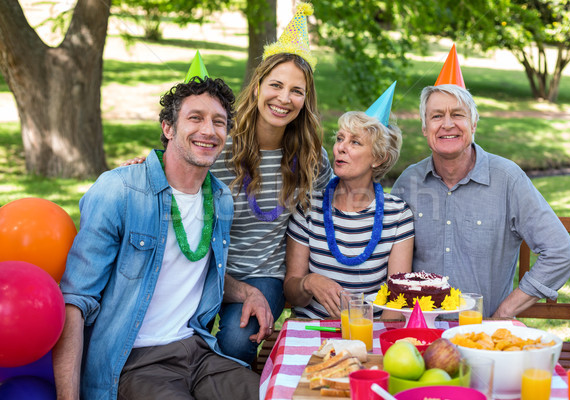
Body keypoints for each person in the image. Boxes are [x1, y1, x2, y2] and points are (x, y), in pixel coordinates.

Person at [121, 3, 332, 365]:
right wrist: (148, 164)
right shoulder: (219, 141)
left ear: (306, 100)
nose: (284, 98)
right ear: (258, 87)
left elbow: (334, 205)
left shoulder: (312, 157)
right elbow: (178, 162)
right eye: (276, 85)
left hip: (263, 272)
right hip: (201, 264)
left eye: (296, 91)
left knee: (237, 339)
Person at [52, 77, 260, 400]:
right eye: (195, 118)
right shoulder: (119, 190)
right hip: (135, 361)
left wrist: (248, 292)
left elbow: (193, 268)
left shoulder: (220, 200)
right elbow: (74, 303)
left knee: (275, 392)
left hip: (199, 350)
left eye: (219, 122)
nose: (209, 130)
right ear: (168, 128)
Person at [391, 46, 570, 318]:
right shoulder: (409, 182)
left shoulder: (508, 179)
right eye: (436, 116)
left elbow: (562, 252)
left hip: (481, 336)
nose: (447, 124)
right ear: (424, 128)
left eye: (458, 114)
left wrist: (503, 313)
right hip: (419, 331)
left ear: (474, 123)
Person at [284, 83, 415, 320]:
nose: (340, 148)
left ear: (379, 158)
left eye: (355, 142)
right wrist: (309, 282)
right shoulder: (308, 206)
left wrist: (372, 347)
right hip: (311, 333)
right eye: (340, 138)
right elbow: (293, 294)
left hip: (368, 336)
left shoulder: (398, 215)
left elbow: (395, 306)